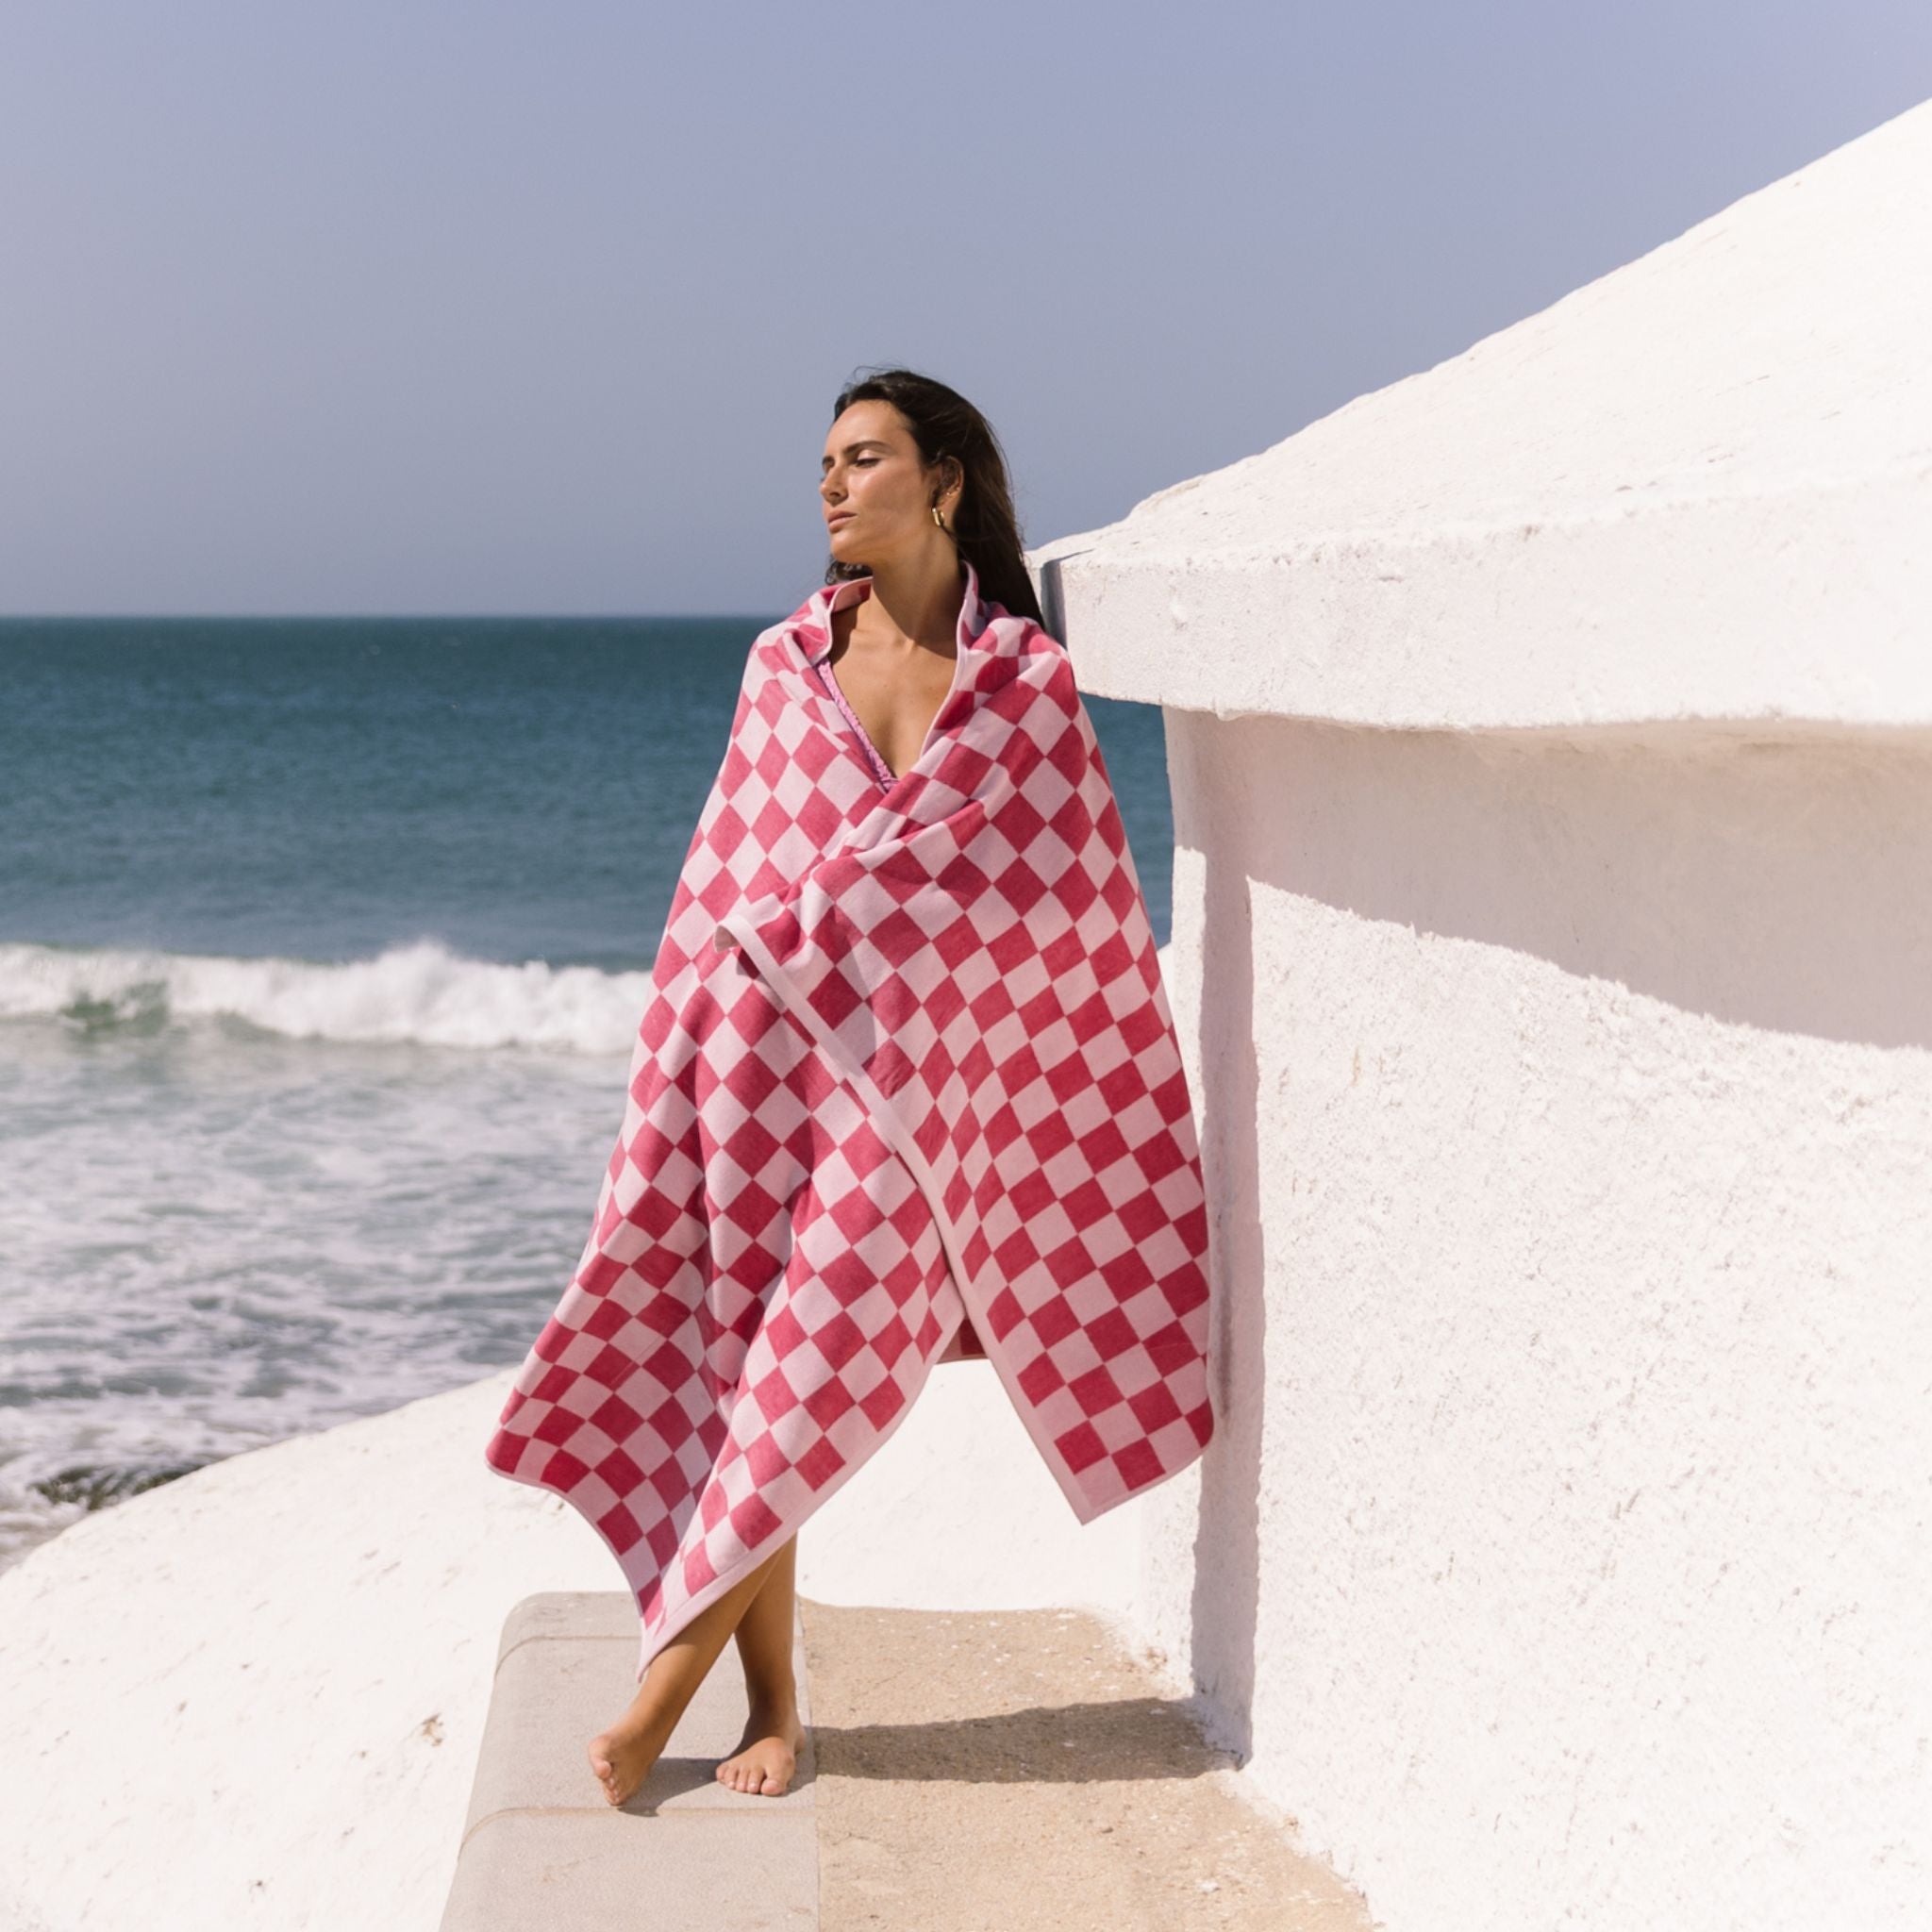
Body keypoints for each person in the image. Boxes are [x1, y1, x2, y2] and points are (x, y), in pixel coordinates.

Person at [484, 366, 1214, 1811]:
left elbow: (1071, 912)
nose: (828, 484)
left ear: (941, 482)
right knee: (755, 1364)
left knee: (815, 1357)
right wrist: (674, 1070)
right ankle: (772, 1701)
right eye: (822, 462)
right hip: (757, 1070)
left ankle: (660, 1690)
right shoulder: (782, 665)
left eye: (862, 457)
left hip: (916, 1101)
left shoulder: (1025, 685)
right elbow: (721, 883)